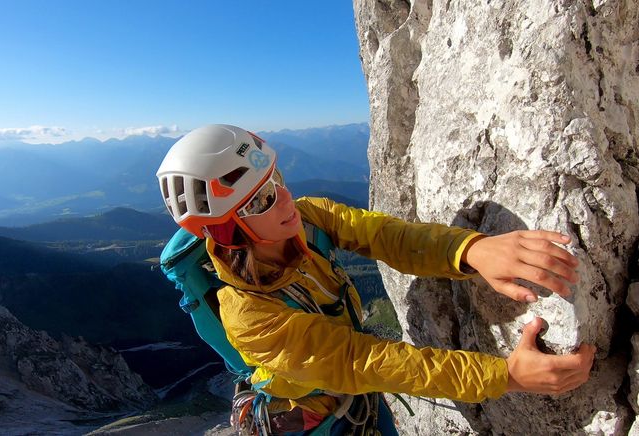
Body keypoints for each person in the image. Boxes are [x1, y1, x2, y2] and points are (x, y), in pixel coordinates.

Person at [156, 124, 596, 435]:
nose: (287, 199)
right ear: (227, 231)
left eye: (277, 178)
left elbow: (386, 236)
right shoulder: (248, 316)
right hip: (306, 420)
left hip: (353, 395)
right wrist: (505, 376)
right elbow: (360, 361)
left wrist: (472, 250)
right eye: (264, 198)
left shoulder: (309, 218)